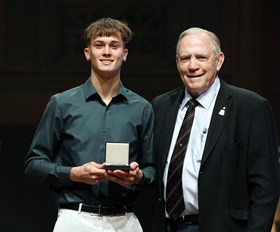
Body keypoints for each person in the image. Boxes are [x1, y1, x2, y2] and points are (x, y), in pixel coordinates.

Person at [24, 17, 155, 232]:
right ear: (87, 53)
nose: (106, 52)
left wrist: (138, 177)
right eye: (99, 45)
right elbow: (34, 164)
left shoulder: (142, 108)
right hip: (75, 218)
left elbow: (153, 171)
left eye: (114, 45)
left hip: (125, 220)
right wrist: (74, 173)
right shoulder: (62, 103)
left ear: (125, 54)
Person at [151, 27, 280, 232]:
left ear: (219, 60)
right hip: (165, 226)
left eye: (201, 57)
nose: (193, 66)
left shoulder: (250, 107)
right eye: (185, 58)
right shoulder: (160, 106)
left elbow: (266, 186)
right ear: (177, 63)